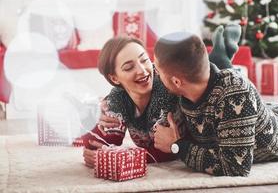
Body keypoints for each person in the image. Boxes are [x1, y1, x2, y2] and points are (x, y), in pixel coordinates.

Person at [82, 24, 242, 168]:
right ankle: (221, 54)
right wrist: (93, 119)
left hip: (205, 88)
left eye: (144, 60)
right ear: (114, 78)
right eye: (129, 67)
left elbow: (167, 150)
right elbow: (96, 144)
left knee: (213, 73)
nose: (143, 71)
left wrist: (122, 158)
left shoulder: (166, 89)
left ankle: (221, 55)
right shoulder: (117, 98)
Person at [152, 31, 278, 177]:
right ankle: (221, 57)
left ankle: (221, 57)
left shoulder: (235, 91)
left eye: (158, 71)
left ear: (176, 81)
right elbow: (162, 134)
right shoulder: (174, 90)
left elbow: (235, 167)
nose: (155, 75)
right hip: (261, 112)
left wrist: (178, 146)